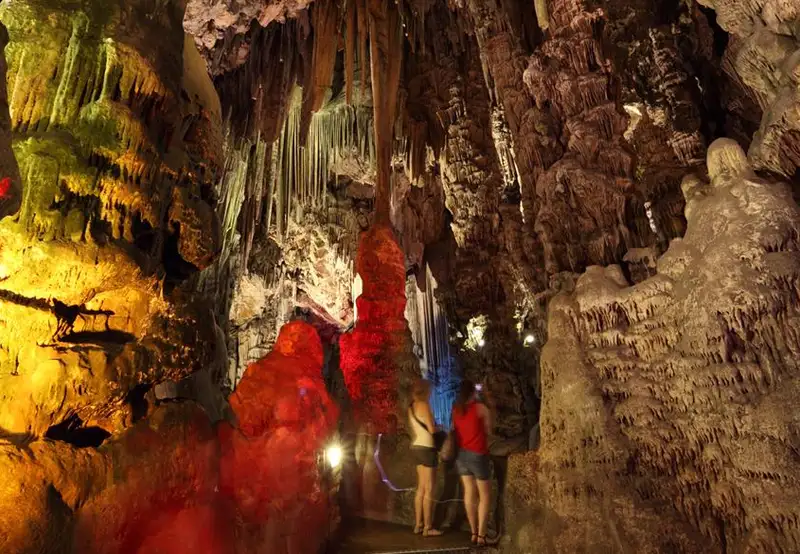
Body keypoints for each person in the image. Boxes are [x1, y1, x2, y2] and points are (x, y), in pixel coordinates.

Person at [452, 380, 493, 546]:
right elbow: (490, 430)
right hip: (478, 454)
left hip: (461, 455)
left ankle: (473, 532)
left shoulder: (456, 410)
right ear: (473, 393)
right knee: (484, 496)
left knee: (469, 492)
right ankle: (482, 536)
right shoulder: (480, 408)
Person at [409, 378, 443, 536]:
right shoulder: (424, 405)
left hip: (416, 447)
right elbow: (431, 429)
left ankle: (418, 525)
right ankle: (428, 527)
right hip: (428, 448)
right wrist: (441, 427)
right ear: (426, 392)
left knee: (420, 488)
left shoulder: (411, 407)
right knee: (429, 488)